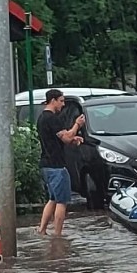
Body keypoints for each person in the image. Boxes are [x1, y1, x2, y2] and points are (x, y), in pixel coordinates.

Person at [36, 89, 84, 237]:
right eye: (61, 101)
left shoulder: (41, 118)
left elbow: (55, 139)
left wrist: (73, 139)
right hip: (56, 166)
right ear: (53, 100)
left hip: (46, 165)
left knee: (52, 199)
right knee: (61, 202)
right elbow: (67, 137)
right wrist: (77, 125)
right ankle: (57, 235)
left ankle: (42, 230)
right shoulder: (52, 118)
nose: (63, 105)